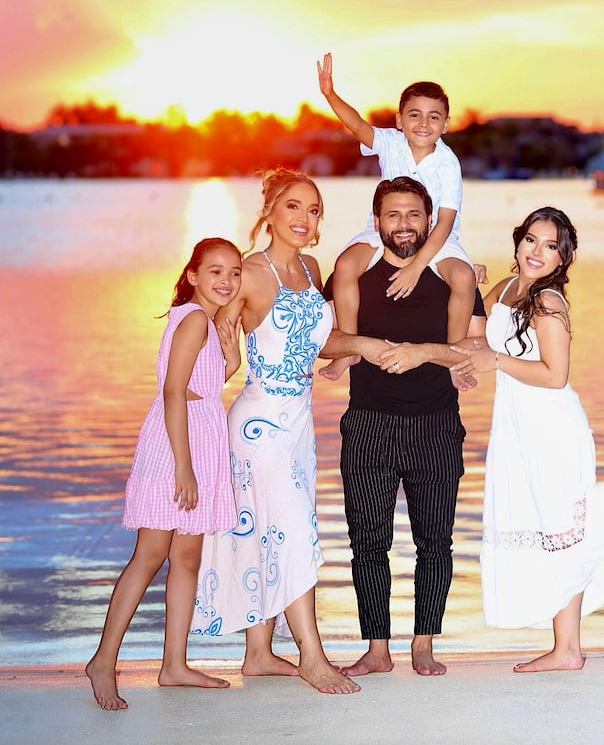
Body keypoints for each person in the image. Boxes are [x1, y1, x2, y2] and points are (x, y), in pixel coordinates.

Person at [449, 207, 604, 672]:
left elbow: (555, 376)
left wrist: (494, 363)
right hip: (515, 429)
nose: (536, 252)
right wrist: (464, 288)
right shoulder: (506, 288)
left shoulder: (548, 302)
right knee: (553, 534)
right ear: (517, 240)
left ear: (564, 258)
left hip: (552, 428)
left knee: (567, 528)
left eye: (550, 246)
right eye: (530, 240)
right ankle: (567, 649)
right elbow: (475, 338)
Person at [191, 169, 360, 695]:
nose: (304, 219)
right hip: (257, 425)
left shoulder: (311, 269)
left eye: (313, 211)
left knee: (272, 530)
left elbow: (319, 342)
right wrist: (219, 345)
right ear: (269, 211)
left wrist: (358, 348)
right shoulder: (248, 271)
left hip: (300, 424)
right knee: (291, 532)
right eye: (293, 207)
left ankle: (259, 654)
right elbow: (214, 339)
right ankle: (312, 655)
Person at [319, 176, 485, 678]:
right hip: (367, 424)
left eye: (414, 214)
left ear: (429, 221)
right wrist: (362, 346)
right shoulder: (358, 272)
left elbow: (477, 345)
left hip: (436, 425)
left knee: (435, 541)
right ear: (377, 223)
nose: (404, 224)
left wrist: (424, 354)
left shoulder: (451, 276)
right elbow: (322, 341)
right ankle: (376, 648)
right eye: (393, 214)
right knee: (367, 541)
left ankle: (423, 644)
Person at [86, 237, 244, 710]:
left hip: (201, 433)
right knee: (150, 555)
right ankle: (102, 661)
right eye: (215, 271)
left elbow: (201, 385)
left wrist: (230, 359)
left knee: (188, 557)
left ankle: (174, 664)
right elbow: (174, 392)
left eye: (235, 272)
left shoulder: (205, 323)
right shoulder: (194, 319)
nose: (227, 280)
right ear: (192, 275)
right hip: (178, 442)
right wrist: (184, 467)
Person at [317, 52, 479, 381]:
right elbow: (357, 125)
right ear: (399, 120)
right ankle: (349, 349)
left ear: (446, 124)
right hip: (384, 231)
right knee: (346, 265)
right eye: (415, 115)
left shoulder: (448, 164)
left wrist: (418, 267)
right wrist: (330, 94)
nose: (423, 123)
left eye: (434, 117)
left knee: (463, 278)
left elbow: (446, 221)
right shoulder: (390, 143)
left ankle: (453, 358)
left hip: (436, 237)